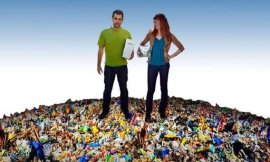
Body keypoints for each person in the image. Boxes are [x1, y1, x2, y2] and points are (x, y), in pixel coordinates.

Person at [137, 13, 184, 122]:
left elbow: (181, 48)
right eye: (154, 22)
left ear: (162, 22)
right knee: (150, 90)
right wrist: (142, 52)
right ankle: (148, 114)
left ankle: (161, 112)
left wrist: (170, 56)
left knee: (164, 89)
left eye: (156, 22)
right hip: (152, 65)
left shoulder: (169, 36)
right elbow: (142, 44)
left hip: (164, 66)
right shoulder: (150, 34)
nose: (154, 24)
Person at [97, 10, 134, 120]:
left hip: (122, 66)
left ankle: (125, 110)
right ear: (112, 18)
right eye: (115, 18)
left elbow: (130, 51)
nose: (117, 21)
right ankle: (105, 111)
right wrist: (98, 64)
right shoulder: (104, 33)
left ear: (122, 20)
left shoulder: (127, 33)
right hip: (109, 67)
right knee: (107, 89)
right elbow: (100, 50)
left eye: (119, 19)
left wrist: (131, 55)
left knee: (124, 89)